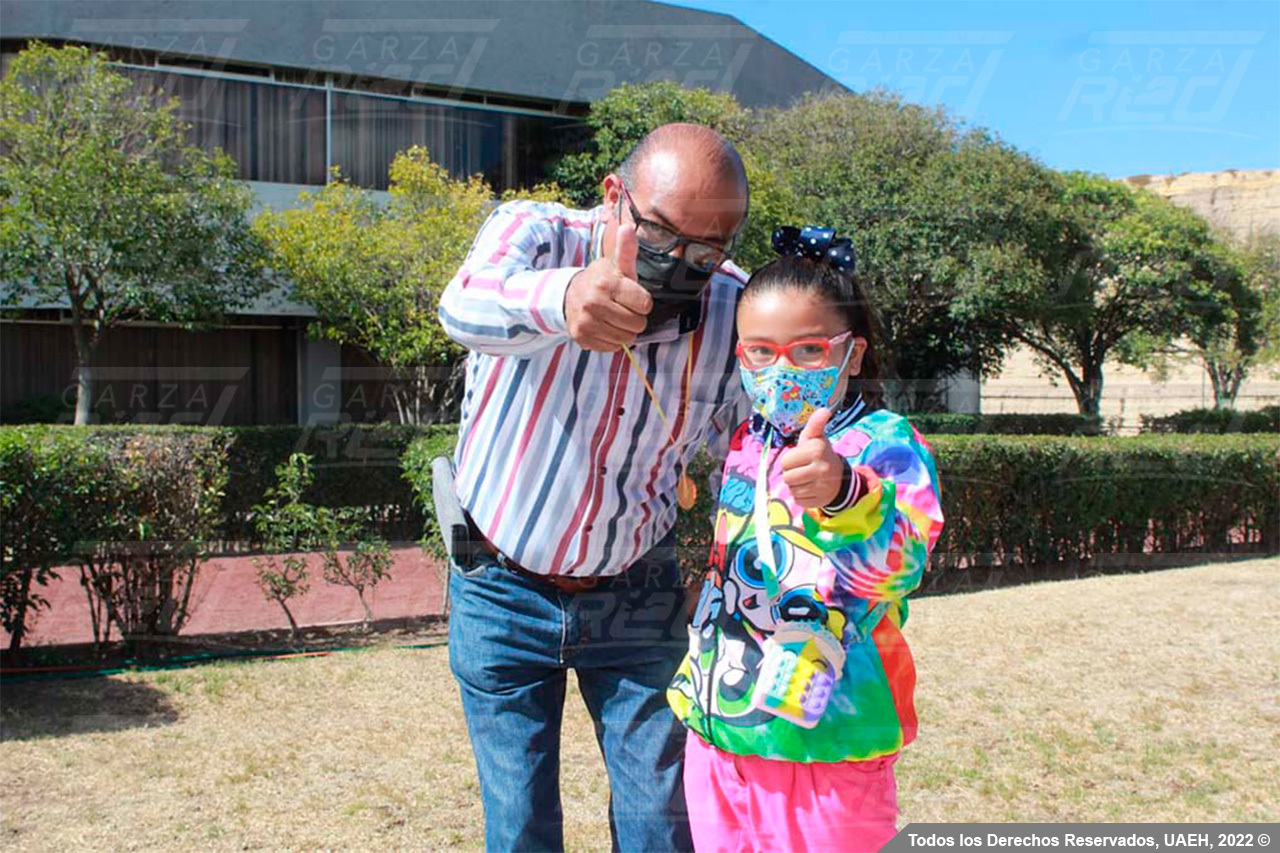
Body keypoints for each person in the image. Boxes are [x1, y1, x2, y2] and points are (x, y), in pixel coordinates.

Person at [436, 123, 750, 852]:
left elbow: (758, 451)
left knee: (662, 823)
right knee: (520, 826)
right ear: (615, 195)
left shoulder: (733, 310)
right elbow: (462, 306)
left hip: (639, 588)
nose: (680, 264)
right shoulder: (537, 233)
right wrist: (565, 297)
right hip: (499, 581)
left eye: (707, 251)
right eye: (662, 235)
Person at [667, 226, 945, 853]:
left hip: (827, 741)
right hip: (720, 735)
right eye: (759, 352)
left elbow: (901, 569)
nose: (780, 370)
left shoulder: (886, 443)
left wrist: (847, 493)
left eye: (809, 350)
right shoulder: (747, 441)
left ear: (851, 353)